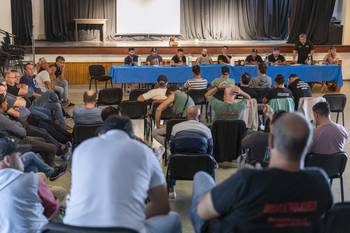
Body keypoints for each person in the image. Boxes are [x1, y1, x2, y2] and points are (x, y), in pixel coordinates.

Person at [190, 113, 333, 233]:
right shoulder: (320, 180)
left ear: (271, 142)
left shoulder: (248, 179)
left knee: (201, 177)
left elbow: (203, 212)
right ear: (308, 145)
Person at [64, 116, 182, 233]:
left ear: (102, 133)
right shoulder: (143, 151)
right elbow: (162, 206)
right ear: (132, 136)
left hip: (74, 228)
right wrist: (134, 217)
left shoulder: (82, 149)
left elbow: (73, 192)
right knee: (173, 219)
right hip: (126, 229)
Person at [0, 137, 60, 233]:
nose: (22, 159)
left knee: (33, 166)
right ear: (7, 160)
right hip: (40, 229)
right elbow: (52, 208)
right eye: (19, 156)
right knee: (61, 192)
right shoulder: (30, 179)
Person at [168, 106, 213, 199]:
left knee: (172, 160)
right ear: (199, 116)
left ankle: (171, 190)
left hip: (179, 163)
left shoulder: (176, 127)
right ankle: (210, 191)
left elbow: (172, 146)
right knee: (210, 161)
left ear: (186, 115)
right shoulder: (206, 129)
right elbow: (210, 148)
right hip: (201, 164)